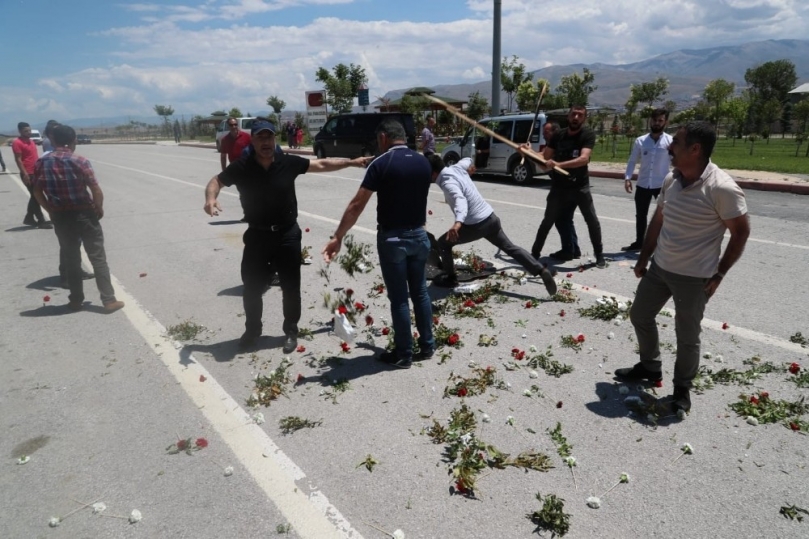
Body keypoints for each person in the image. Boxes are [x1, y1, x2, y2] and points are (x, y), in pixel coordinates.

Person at [615, 121, 750, 414]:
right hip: (661, 267)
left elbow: (740, 232)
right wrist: (643, 257)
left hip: (694, 277)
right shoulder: (672, 179)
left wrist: (720, 273)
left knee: (687, 336)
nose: (668, 146)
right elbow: (658, 220)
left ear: (695, 149)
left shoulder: (722, 188)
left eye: (675, 142)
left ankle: (681, 389)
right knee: (639, 314)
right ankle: (651, 367)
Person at [204, 120, 370, 353]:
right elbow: (216, 181)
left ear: (275, 140)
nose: (266, 142)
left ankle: (291, 330)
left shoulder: (287, 162)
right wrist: (210, 199)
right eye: (260, 138)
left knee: (291, 287)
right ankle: (252, 330)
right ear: (252, 141)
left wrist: (352, 162)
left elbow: (321, 164)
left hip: (287, 235)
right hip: (257, 235)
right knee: (252, 287)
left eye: (269, 137)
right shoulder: (242, 166)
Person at [323, 119, 435, 370]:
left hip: (393, 239)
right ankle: (427, 345)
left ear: (383, 137)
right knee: (420, 292)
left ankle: (404, 354)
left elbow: (356, 205)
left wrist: (338, 236)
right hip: (419, 235)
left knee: (399, 299)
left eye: (378, 140)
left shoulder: (381, 163)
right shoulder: (423, 161)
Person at [426, 154, 557, 296]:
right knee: (510, 247)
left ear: (433, 173)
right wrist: (471, 166)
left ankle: (450, 278)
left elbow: (460, 201)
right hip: (491, 218)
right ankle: (541, 270)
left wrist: (457, 223)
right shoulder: (456, 168)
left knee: (443, 244)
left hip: (476, 225)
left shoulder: (447, 182)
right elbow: (468, 159)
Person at [32, 125, 125, 313]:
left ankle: (75, 300)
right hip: (84, 214)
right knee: (97, 258)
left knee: (71, 259)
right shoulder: (79, 160)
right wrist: (98, 208)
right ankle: (108, 300)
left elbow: (37, 191)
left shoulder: (43, 161)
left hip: (61, 215)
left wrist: (50, 209)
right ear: (73, 139)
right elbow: (95, 189)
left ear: (54, 140)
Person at [524, 105, 604, 268]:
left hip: (580, 187)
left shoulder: (587, 134)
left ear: (584, 118)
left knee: (592, 221)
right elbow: (545, 161)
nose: (576, 118)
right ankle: (534, 255)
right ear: (568, 117)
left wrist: (558, 164)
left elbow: (583, 159)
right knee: (548, 221)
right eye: (573, 114)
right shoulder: (558, 135)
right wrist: (528, 152)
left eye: (580, 115)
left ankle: (600, 256)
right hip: (559, 188)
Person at [41, 120, 94, 287]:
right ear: (52, 136)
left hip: (63, 209)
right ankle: (67, 276)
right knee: (68, 245)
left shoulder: (47, 157)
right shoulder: (49, 157)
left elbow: (38, 190)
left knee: (71, 243)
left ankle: (73, 274)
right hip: (67, 209)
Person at [622, 108, 672, 251]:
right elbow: (632, 161)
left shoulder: (670, 142)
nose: (657, 123)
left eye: (660, 120)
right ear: (650, 121)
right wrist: (627, 178)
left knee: (664, 216)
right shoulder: (641, 141)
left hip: (662, 185)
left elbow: (676, 161)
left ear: (666, 122)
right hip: (643, 184)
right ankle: (640, 242)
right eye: (654, 120)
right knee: (641, 215)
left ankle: (661, 245)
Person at [543, 121, 580, 260]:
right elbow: (542, 155)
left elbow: (544, 164)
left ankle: (568, 250)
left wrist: (529, 154)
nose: (543, 134)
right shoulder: (555, 144)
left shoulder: (560, 144)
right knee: (566, 219)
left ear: (555, 132)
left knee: (561, 219)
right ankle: (574, 249)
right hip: (565, 187)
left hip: (568, 187)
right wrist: (527, 151)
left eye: (546, 132)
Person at [13, 122, 52, 229]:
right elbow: (18, 159)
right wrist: (24, 173)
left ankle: (29, 217)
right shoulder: (17, 142)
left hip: (36, 171)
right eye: (26, 131)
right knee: (36, 196)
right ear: (20, 131)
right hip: (28, 173)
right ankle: (41, 220)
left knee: (35, 196)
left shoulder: (31, 142)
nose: (29, 133)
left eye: (29, 130)